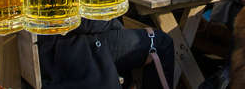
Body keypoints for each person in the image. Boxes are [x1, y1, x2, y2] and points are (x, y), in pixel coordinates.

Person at [37, 18, 174, 89]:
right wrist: (114, 22)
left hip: (50, 47)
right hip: (70, 50)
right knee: (161, 43)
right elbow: (85, 21)